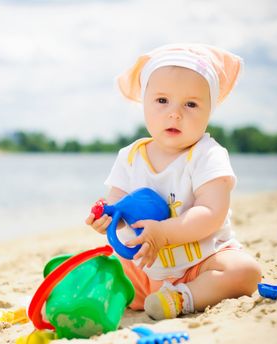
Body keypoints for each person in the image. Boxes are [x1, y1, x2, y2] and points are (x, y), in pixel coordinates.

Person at [85, 43, 261, 320]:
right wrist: (107, 216)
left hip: (200, 263)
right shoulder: (130, 156)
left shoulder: (207, 155)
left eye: (191, 104)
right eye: (162, 100)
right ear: (144, 102)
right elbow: (117, 202)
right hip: (145, 266)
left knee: (245, 271)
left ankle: (181, 298)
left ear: (209, 111)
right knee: (101, 267)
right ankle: (92, 301)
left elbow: (211, 213)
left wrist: (165, 233)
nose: (175, 113)